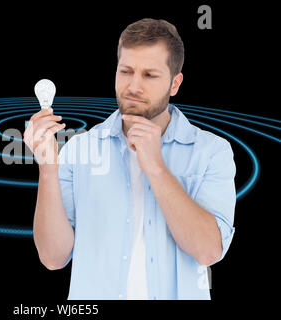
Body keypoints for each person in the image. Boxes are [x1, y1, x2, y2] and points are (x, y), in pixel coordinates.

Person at [24, 18, 236, 300]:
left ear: (175, 83)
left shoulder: (212, 152)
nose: (133, 86)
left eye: (149, 75)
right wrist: (48, 169)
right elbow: (53, 257)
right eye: (126, 71)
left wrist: (156, 168)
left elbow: (208, 251)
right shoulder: (79, 149)